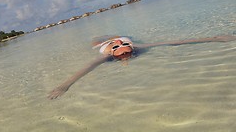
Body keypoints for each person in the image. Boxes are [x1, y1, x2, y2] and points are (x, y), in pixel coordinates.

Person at [48, 34, 236, 99]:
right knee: (94, 42)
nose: (126, 52)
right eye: (124, 53)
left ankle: (108, 36)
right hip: (104, 43)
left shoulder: (136, 46)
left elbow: (174, 42)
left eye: (127, 52)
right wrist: (65, 85)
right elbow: (87, 68)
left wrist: (215, 39)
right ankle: (102, 37)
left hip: (118, 38)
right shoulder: (105, 54)